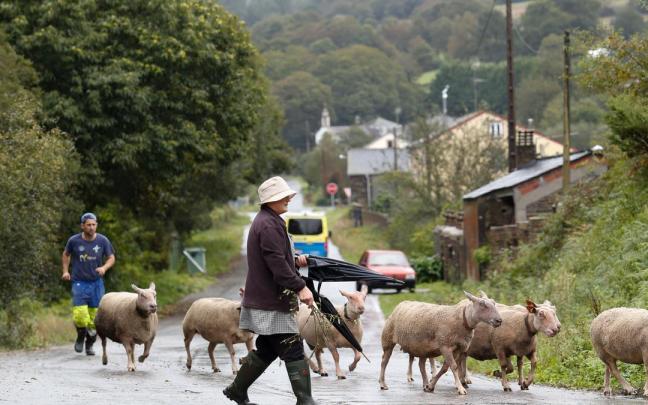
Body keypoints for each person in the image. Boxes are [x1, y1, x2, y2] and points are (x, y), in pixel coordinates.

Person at [224, 176, 317, 405]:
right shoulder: (268, 224)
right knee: (293, 349)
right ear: (270, 201)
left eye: (287, 195)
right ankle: (305, 401)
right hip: (271, 303)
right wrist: (301, 287)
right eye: (282, 196)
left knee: (267, 349)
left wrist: (295, 260)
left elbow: (277, 258)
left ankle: (236, 390)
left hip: (268, 300)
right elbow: (276, 266)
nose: (287, 199)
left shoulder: (270, 221)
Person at [61, 212, 115, 355]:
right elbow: (66, 254)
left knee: (95, 319)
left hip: (96, 283)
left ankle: (89, 344)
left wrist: (104, 267)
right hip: (79, 282)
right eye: (88, 225)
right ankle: (80, 336)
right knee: (80, 315)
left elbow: (111, 257)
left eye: (93, 225)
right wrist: (66, 271)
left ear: (96, 225)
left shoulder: (103, 241)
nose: (91, 227)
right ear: (82, 226)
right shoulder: (74, 240)